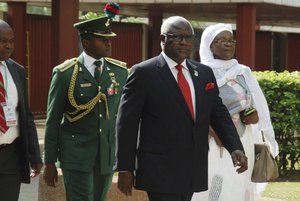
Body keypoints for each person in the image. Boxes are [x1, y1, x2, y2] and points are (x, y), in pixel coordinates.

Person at [115, 16, 248, 201]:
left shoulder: (203, 73)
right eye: (177, 37)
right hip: (159, 168)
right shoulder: (143, 73)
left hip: (193, 167)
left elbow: (218, 113)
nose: (184, 42)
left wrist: (235, 147)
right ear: (162, 39)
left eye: (188, 37)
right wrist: (125, 167)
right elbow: (126, 124)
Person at [43, 15, 128, 201]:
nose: (108, 43)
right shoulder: (65, 73)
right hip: (76, 154)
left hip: (105, 154)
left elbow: (122, 118)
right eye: (102, 39)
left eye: (109, 39)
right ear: (86, 42)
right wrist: (49, 161)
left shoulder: (120, 73)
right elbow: (53, 120)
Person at [191, 23, 278, 201]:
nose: (228, 44)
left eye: (231, 40)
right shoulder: (200, 73)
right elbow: (194, 109)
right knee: (212, 183)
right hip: (211, 139)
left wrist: (252, 116)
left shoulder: (243, 71)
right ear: (209, 45)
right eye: (221, 40)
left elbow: (254, 104)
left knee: (238, 182)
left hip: (242, 138)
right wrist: (217, 135)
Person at [0, 19, 43, 201]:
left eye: (12, 41)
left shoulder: (17, 71)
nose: (8, 46)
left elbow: (26, 115)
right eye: (2, 41)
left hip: (11, 157)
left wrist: (35, 154)